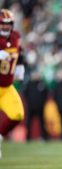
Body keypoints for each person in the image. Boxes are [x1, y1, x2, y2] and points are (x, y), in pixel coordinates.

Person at [0, 9, 25, 158]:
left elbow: (19, 52)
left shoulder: (15, 37)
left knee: (17, 115)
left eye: (8, 24)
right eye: (2, 24)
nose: (5, 27)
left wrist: (20, 67)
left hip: (6, 87)